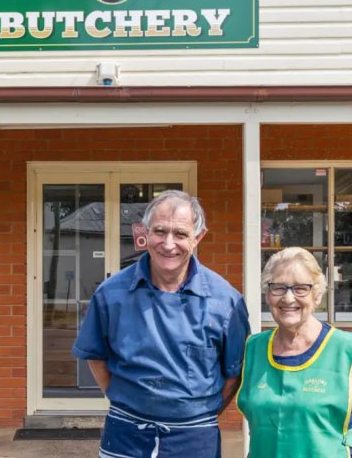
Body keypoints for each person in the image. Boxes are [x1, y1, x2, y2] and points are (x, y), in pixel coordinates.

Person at [73, 190, 251, 458]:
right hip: (125, 434)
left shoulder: (226, 301)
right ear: (145, 233)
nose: (169, 244)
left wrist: (194, 416)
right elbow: (96, 359)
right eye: (160, 231)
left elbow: (233, 375)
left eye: (180, 234)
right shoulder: (111, 293)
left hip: (196, 437)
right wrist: (131, 404)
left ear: (198, 237)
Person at [237, 247, 352, 458]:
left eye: (300, 288)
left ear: (317, 295)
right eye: (278, 288)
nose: (288, 298)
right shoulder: (253, 348)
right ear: (267, 295)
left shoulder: (347, 349)